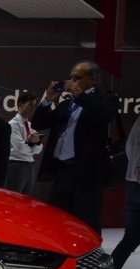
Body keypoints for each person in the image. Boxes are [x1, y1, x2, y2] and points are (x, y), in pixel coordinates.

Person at [31, 60, 117, 234]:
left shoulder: (105, 99)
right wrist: (48, 99)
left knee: (87, 225)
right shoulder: (67, 104)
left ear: (94, 80)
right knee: (58, 223)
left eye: (77, 78)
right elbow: (38, 123)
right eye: (70, 78)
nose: (71, 82)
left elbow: (103, 116)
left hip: (87, 173)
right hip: (63, 171)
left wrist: (80, 95)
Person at [109, 116, 140, 269]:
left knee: (129, 240)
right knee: (129, 240)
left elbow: (130, 149)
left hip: (133, 185)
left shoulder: (137, 122)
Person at [5, 90, 43, 195]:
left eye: (34, 105)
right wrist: (33, 143)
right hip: (16, 165)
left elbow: (39, 149)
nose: (33, 107)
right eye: (30, 104)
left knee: (26, 199)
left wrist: (36, 143)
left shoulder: (30, 125)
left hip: (30, 166)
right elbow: (21, 148)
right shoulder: (13, 124)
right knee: (13, 197)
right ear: (20, 104)